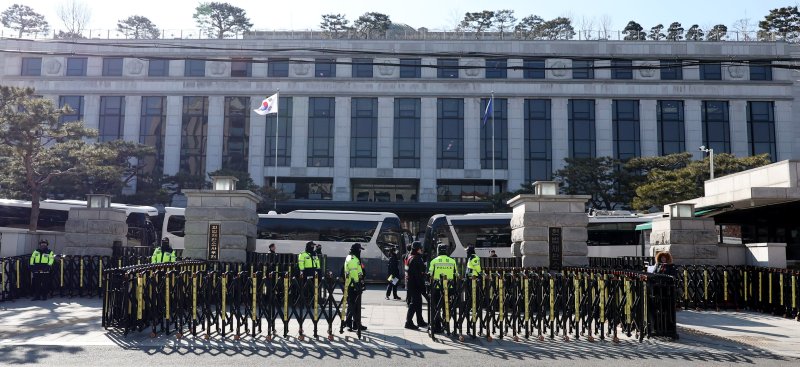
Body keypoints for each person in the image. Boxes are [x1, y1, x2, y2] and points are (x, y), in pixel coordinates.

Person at [428, 243, 458, 333]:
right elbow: (456, 274)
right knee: (447, 307)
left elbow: (430, 275)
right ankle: (446, 325)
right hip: (449, 288)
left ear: (438, 251)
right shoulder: (452, 261)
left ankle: (437, 327)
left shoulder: (434, 261)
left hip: (436, 288)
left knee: (436, 308)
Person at [404, 241, 428, 330]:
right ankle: (408, 322)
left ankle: (420, 321)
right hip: (415, 284)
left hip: (410, 283)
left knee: (418, 302)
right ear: (418, 249)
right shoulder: (416, 259)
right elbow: (418, 275)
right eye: (421, 248)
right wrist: (422, 287)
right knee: (414, 303)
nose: (422, 250)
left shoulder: (409, 256)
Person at [344, 243, 367, 332]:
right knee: (353, 305)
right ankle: (352, 324)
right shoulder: (353, 259)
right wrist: (359, 282)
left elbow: (359, 270)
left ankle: (354, 324)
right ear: (356, 250)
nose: (360, 251)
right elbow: (354, 273)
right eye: (359, 249)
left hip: (352, 284)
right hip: (353, 285)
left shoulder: (352, 257)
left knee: (353, 305)